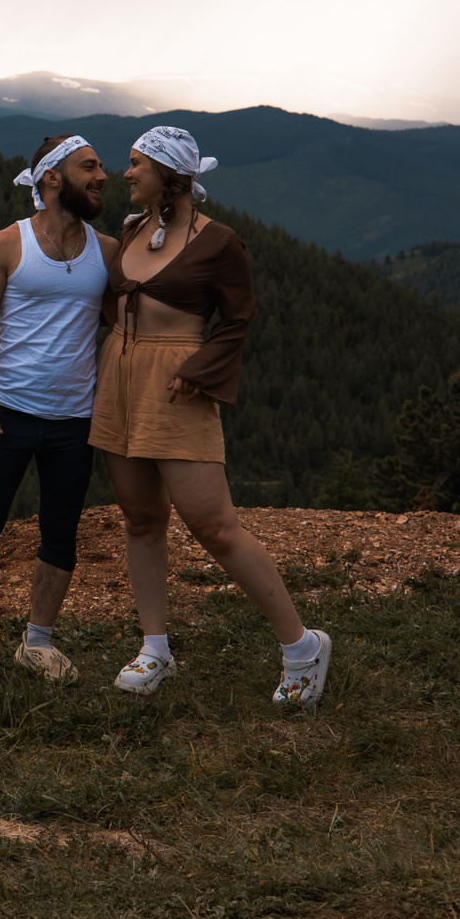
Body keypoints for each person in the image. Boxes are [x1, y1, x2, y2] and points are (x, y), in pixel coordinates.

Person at [89, 126, 332, 706]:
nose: (126, 173)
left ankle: (303, 646)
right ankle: (155, 649)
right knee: (140, 519)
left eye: (136, 163)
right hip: (117, 380)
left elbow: (239, 318)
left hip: (176, 386)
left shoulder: (218, 242)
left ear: (169, 175)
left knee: (215, 526)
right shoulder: (134, 229)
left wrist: (199, 369)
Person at [0, 134, 115, 691]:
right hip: (7, 411)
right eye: (89, 166)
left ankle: (37, 643)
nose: (102, 176)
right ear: (52, 178)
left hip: (75, 419)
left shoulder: (108, 251)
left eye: (102, 166)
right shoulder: (5, 245)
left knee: (60, 531)